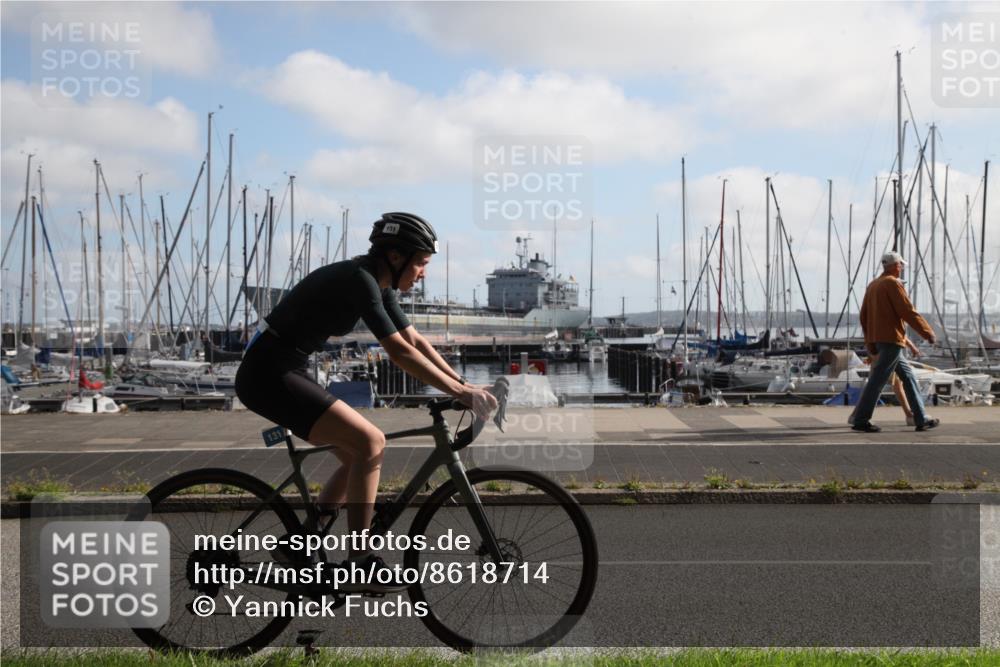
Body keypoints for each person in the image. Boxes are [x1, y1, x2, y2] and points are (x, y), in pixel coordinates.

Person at [235, 212, 498, 590]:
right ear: (396, 256)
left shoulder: (379, 283)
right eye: (421, 262)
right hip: (267, 375)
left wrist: (464, 385)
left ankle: (301, 544)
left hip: (285, 368)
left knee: (358, 455)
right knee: (370, 442)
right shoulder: (360, 281)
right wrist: (460, 393)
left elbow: (416, 343)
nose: (423, 272)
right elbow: (399, 354)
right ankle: (360, 560)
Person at [852, 251, 939, 433]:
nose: (902, 268)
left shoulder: (873, 285)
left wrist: (870, 343)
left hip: (880, 339)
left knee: (908, 377)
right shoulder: (892, 284)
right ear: (895, 266)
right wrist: (927, 332)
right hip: (892, 339)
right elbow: (907, 311)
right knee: (877, 381)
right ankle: (860, 419)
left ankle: (920, 417)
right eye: (901, 265)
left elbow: (863, 316)